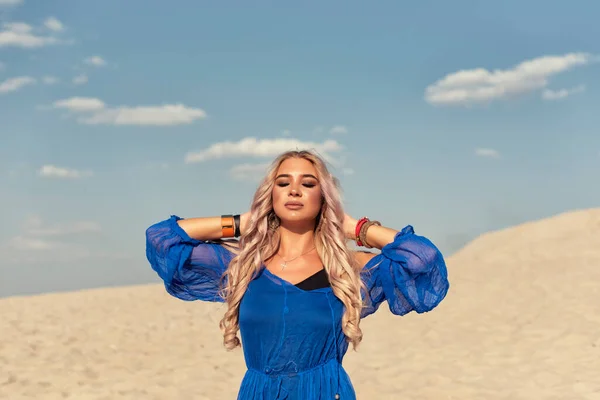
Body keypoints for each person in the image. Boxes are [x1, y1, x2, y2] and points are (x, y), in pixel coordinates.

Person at [145, 149, 449, 400]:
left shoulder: (347, 266)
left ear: (323, 197)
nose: (294, 190)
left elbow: (423, 260)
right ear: (271, 195)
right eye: (282, 183)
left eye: (308, 184)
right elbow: (163, 238)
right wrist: (243, 222)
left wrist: (356, 228)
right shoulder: (243, 263)